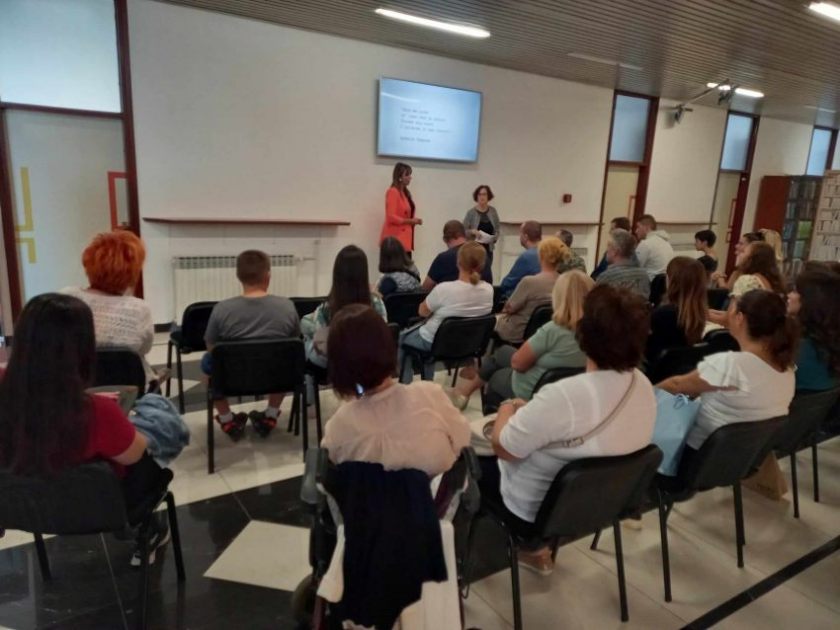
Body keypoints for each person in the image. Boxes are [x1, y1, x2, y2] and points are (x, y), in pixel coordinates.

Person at [479, 285, 656, 573]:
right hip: (605, 503)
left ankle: (524, 549)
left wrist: (507, 407)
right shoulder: (643, 386)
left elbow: (504, 448)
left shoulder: (564, 396)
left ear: (583, 334)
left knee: (469, 460)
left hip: (536, 512)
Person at [0, 293, 171, 566]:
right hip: (95, 508)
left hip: (21, 506)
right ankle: (146, 529)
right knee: (153, 443)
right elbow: (134, 454)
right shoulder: (98, 412)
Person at [321, 304, 471, 476]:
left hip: (371, 494)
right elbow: (463, 444)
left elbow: (331, 474)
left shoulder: (339, 426)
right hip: (437, 492)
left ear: (338, 365)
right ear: (388, 345)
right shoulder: (431, 395)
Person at [657, 290, 798, 452]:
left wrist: (647, 395)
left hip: (696, 454)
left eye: (730, 310)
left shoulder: (731, 365)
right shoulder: (787, 370)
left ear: (740, 318)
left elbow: (676, 385)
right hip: (744, 457)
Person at [446, 270, 591, 410]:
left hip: (534, 390)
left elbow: (518, 364)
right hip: (567, 392)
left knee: (496, 376)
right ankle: (464, 392)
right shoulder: (596, 333)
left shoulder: (553, 330)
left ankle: (494, 417)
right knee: (502, 352)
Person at [203, 250, 301, 440]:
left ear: (238, 276)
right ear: (268, 276)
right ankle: (271, 414)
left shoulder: (221, 309)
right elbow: (295, 341)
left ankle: (227, 419)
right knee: (286, 359)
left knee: (208, 362)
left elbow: (211, 346)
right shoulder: (287, 306)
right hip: (277, 376)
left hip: (231, 378)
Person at [63, 230, 155, 383]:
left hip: (75, 388)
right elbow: (145, 348)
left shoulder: (67, 297)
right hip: (127, 390)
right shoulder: (139, 309)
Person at [399, 242, 493, 383]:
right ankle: (427, 384)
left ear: (458, 262)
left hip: (436, 343)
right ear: (482, 265)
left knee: (402, 339)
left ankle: (407, 386)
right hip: (469, 345)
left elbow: (422, 312)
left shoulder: (444, 289)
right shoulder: (489, 290)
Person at [303, 245, 387, 368]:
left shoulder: (326, 309)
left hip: (337, 367)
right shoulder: (377, 303)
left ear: (336, 274)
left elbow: (319, 343)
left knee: (307, 341)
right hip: (370, 364)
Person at [495, 236, 568, 344]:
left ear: (541, 255)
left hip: (519, 333)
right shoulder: (565, 282)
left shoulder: (529, 282)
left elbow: (510, 308)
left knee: (492, 322)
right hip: (549, 334)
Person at [787, 266, 840, 391]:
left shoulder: (795, 350)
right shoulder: (831, 344)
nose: (788, 295)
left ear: (809, 299)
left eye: (794, 291)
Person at [646, 257, 708, 364]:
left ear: (671, 281)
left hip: (657, 368)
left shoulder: (662, 315)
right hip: (684, 367)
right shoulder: (699, 313)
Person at [422, 220, 492, 291]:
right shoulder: (482, 255)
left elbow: (425, 288)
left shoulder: (443, 258)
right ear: (464, 235)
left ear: (445, 239)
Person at [596, 228, 651, 300]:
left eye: (608, 246)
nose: (607, 250)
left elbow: (597, 304)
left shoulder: (606, 277)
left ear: (615, 251)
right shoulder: (644, 275)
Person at [380, 162, 422, 255]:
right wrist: (410, 221)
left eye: (410, 175)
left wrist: (414, 221)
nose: (410, 177)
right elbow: (391, 217)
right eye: (407, 175)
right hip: (395, 240)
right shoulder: (393, 192)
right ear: (399, 177)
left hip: (404, 239)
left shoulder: (405, 193)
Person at [464, 184, 501, 278]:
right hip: (474, 249)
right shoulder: (471, 213)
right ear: (476, 197)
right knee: (474, 274)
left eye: (484, 194)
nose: (482, 197)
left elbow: (497, 229)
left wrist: (494, 237)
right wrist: (472, 231)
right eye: (479, 194)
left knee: (486, 274)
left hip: (488, 249)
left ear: (488, 196)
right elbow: (463, 231)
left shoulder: (493, 211)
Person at [499, 221, 542, 297]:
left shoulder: (526, 257)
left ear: (525, 237)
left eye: (520, 233)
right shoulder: (548, 252)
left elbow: (507, 284)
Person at [635, 215, 674, 280]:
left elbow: (634, 268)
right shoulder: (667, 243)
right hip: (663, 284)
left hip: (649, 283)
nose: (636, 231)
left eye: (638, 227)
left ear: (646, 227)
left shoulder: (646, 244)